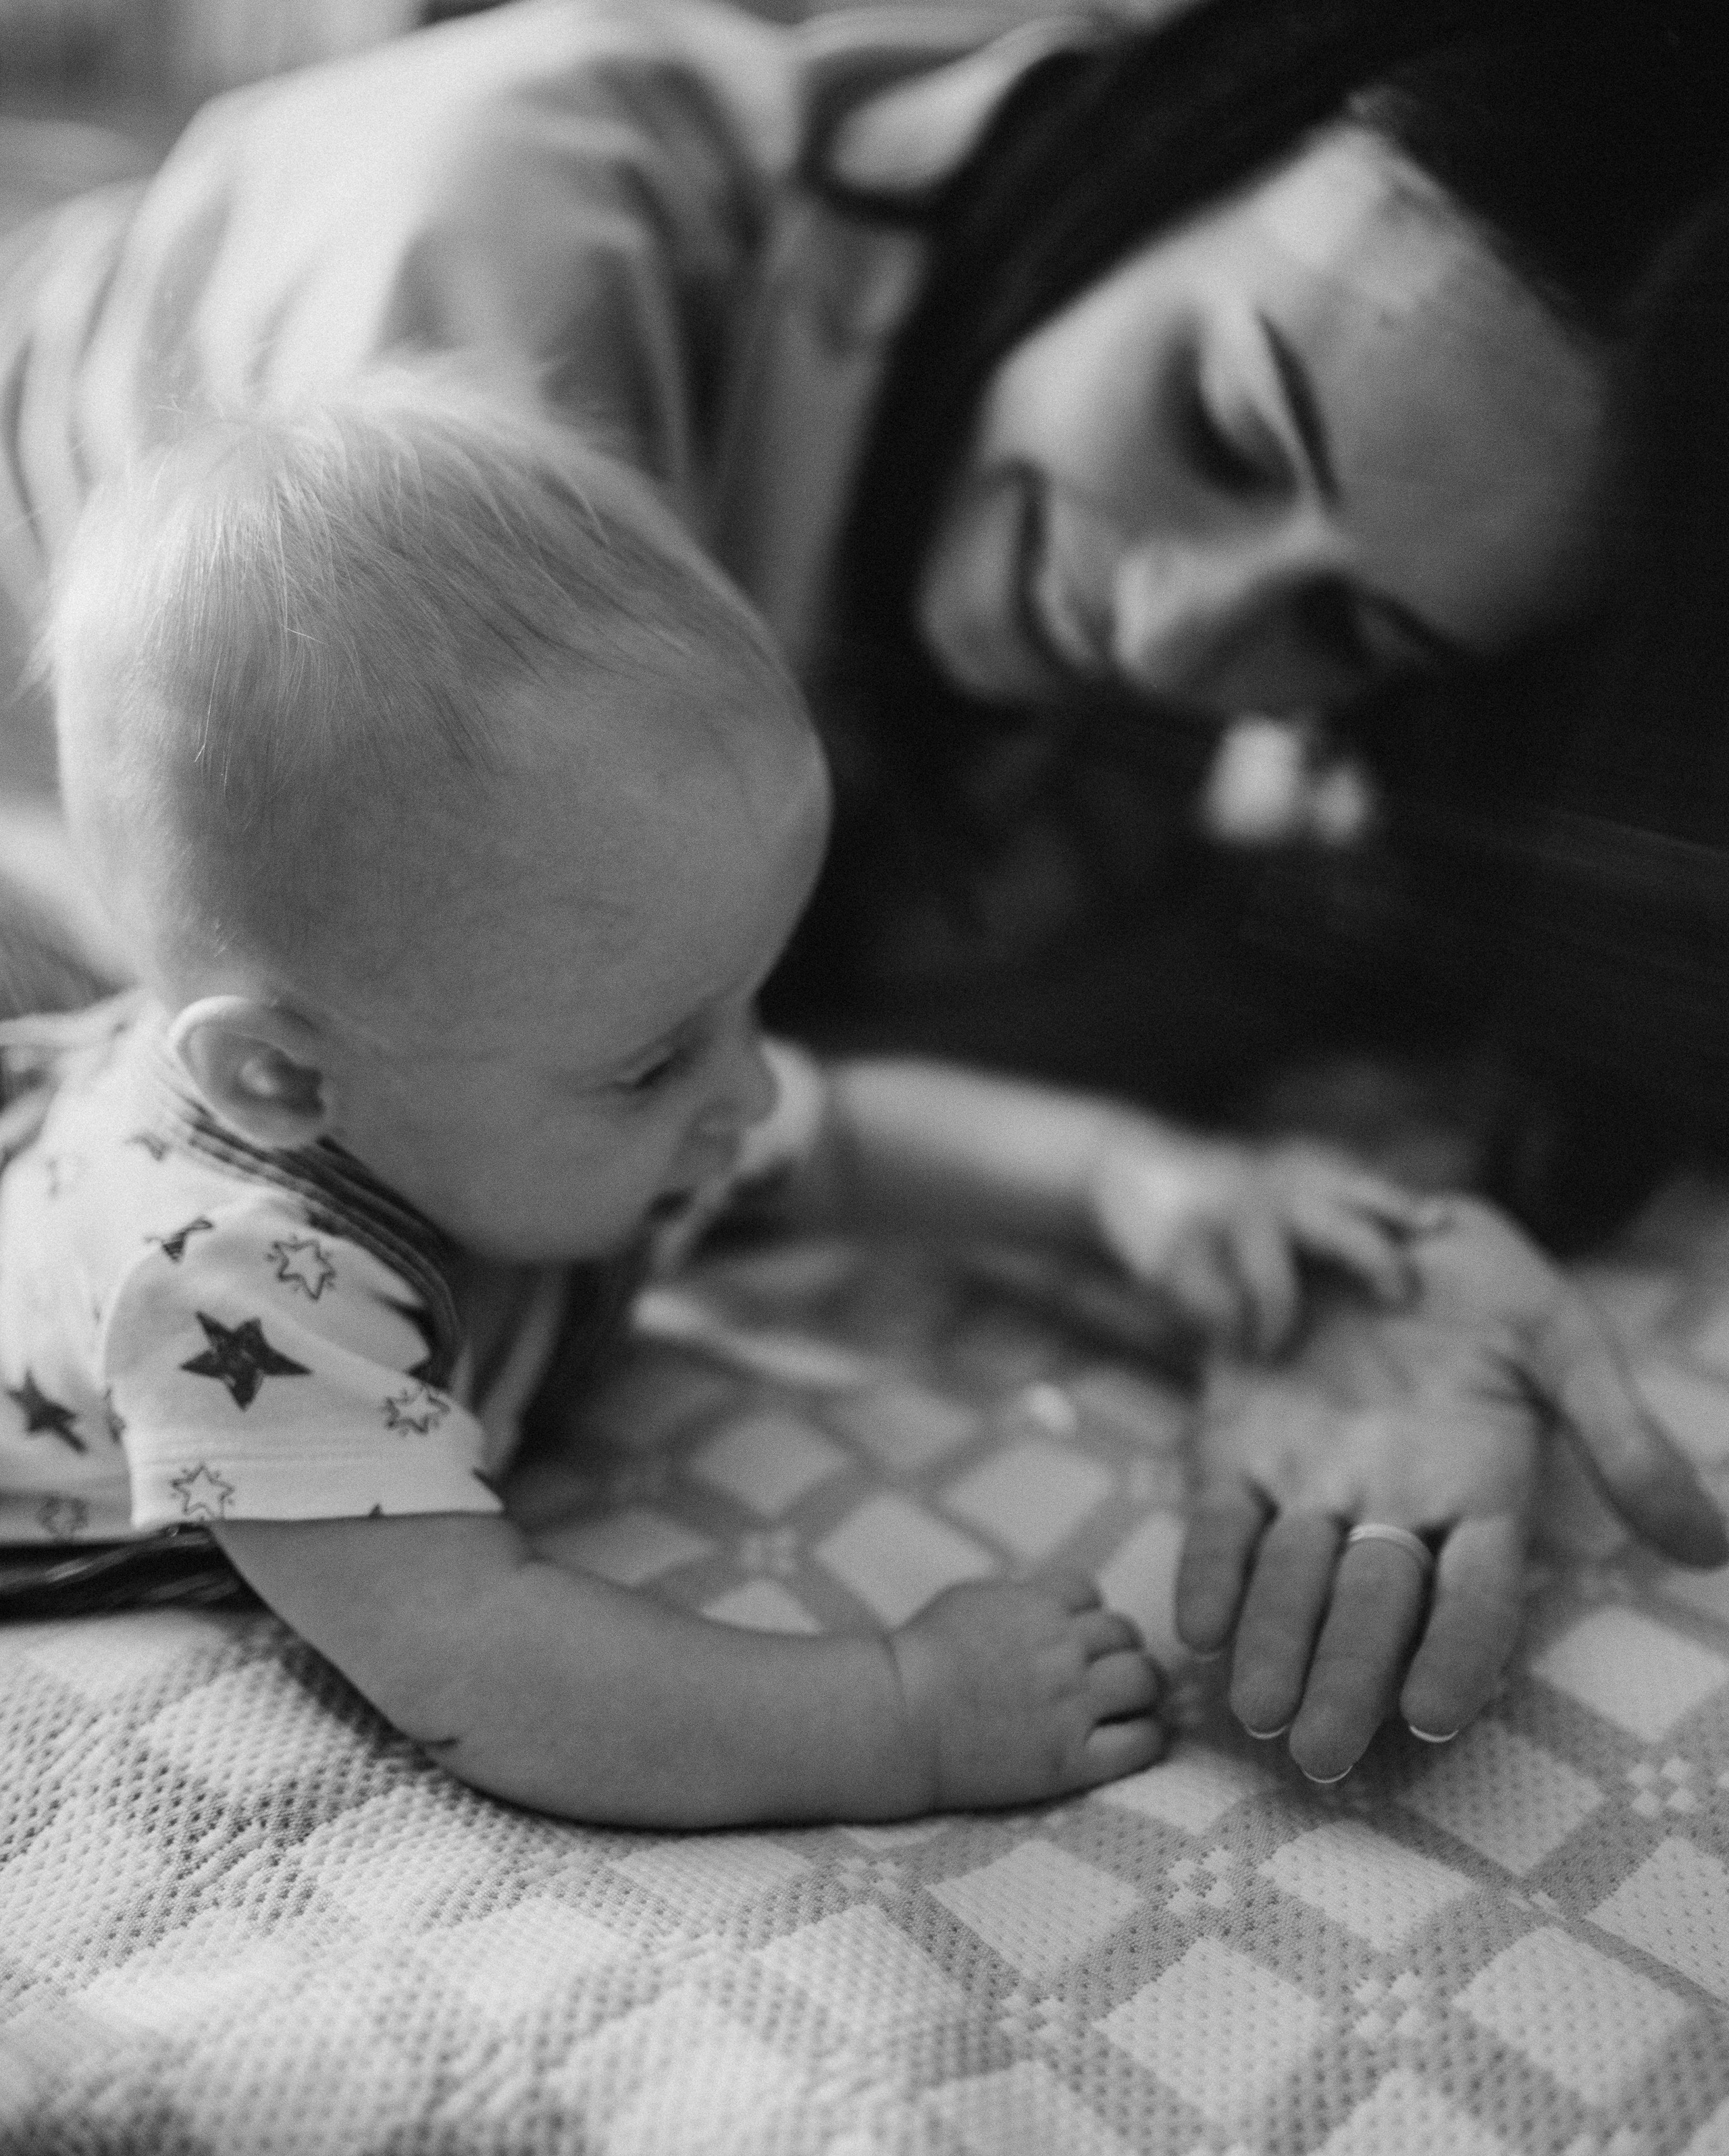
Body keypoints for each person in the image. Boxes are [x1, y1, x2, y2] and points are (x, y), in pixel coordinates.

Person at [2, 0, 1726, 1784]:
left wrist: (1204, 1204)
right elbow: (486, 1656)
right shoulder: (470, 331)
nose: (1173, 640)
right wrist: (896, 1715)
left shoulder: (704, 978)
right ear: (1174, 131)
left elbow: (763, 1095)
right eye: (1225, 427)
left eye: (1352, 635)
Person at [7, 367, 1475, 1824]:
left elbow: (839, 1141)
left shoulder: (506, 1076)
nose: (751, 1086)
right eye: (656, 1060)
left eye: (750, 1000)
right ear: (283, 1080)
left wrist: (1121, 1181)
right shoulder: (232, 1296)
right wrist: (904, 1712)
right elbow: (488, 1664)